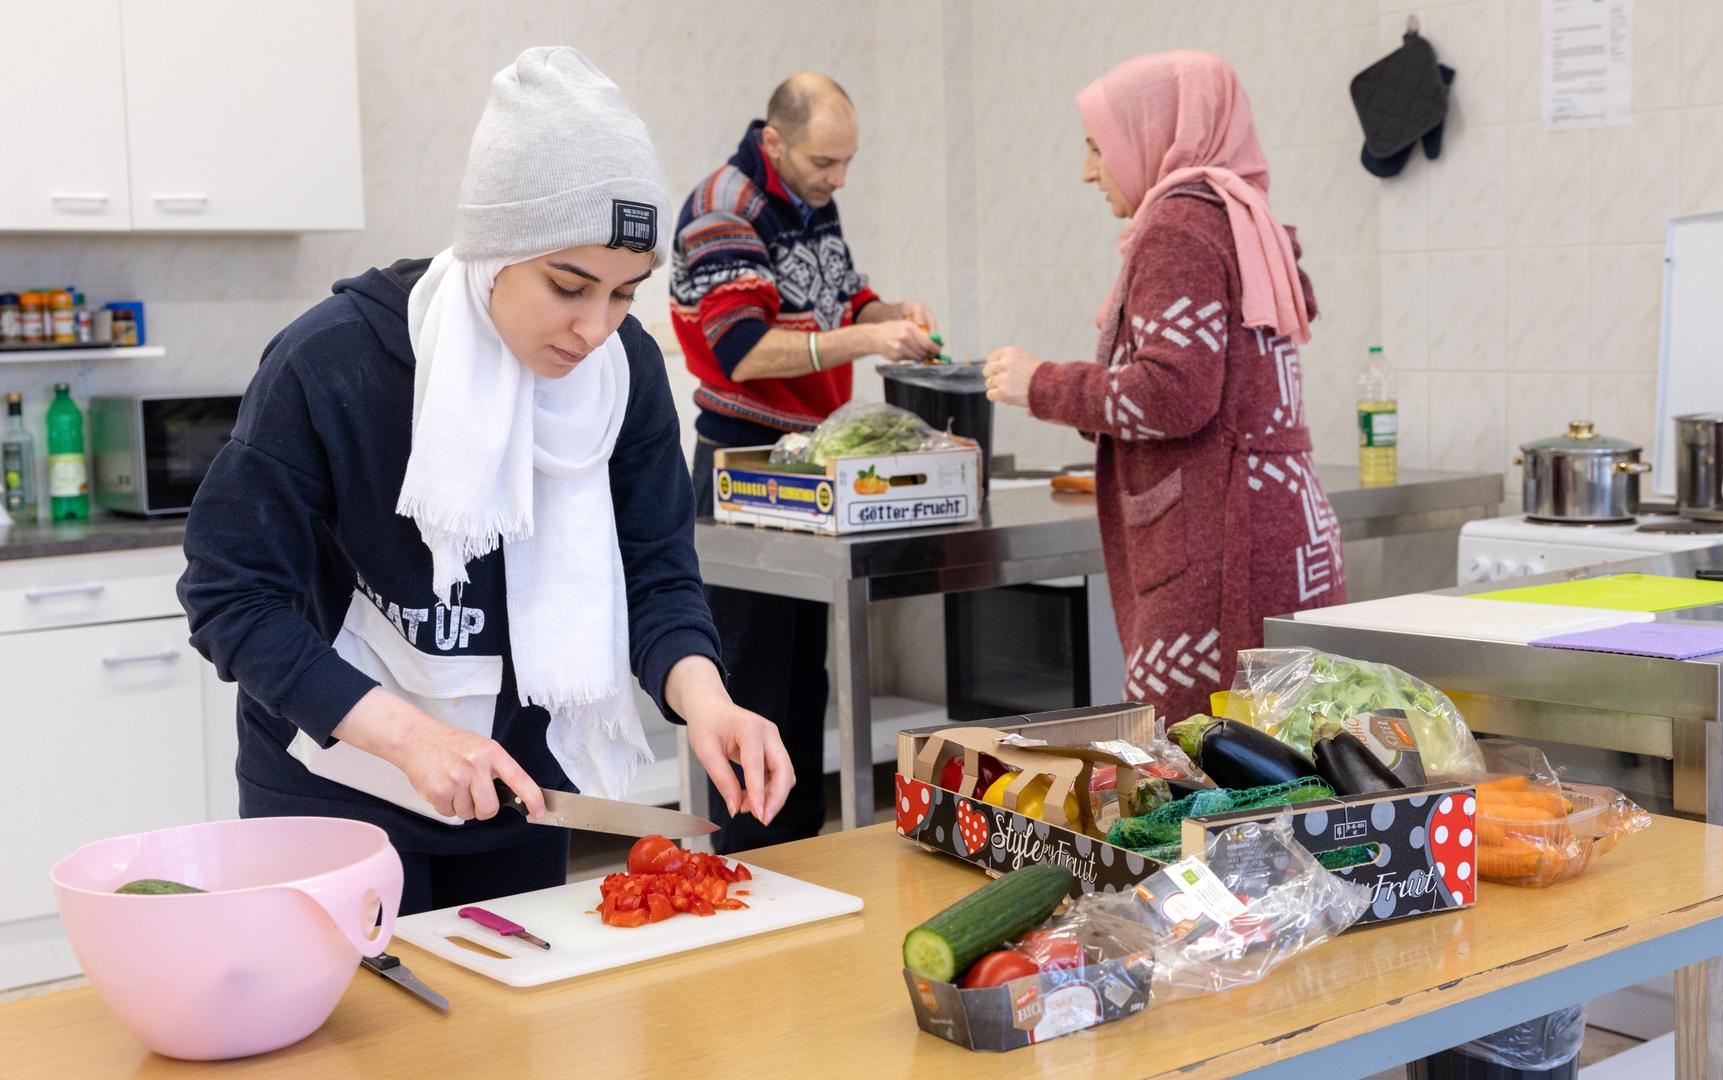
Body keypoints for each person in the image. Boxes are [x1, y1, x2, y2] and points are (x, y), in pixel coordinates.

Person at [178, 47, 794, 915]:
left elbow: (654, 574)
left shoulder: (626, 377)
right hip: (329, 794)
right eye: (568, 285)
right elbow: (230, 598)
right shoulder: (332, 363)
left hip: (514, 796)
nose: (594, 329)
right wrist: (410, 736)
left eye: (625, 294)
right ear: (491, 247)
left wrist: (708, 703)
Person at [984, 51, 1347, 722]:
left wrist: (1043, 384)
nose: (1087, 169)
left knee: (1185, 774)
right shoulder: (1240, 216)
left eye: (1097, 146)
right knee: (1291, 766)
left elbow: (1174, 394)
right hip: (1284, 540)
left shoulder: (1179, 224)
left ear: (1151, 136)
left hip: (1218, 555)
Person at [671, 72, 940, 852]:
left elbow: (839, 300)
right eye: (827, 163)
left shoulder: (809, 197)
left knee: (799, 679)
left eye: (847, 163)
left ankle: (801, 850)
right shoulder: (722, 208)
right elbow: (744, 348)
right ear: (776, 141)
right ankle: (746, 858)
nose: (838, 180)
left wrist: (887, 315)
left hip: (804, 464)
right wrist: (867, 341)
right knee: (749, 675)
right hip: (741, 464)